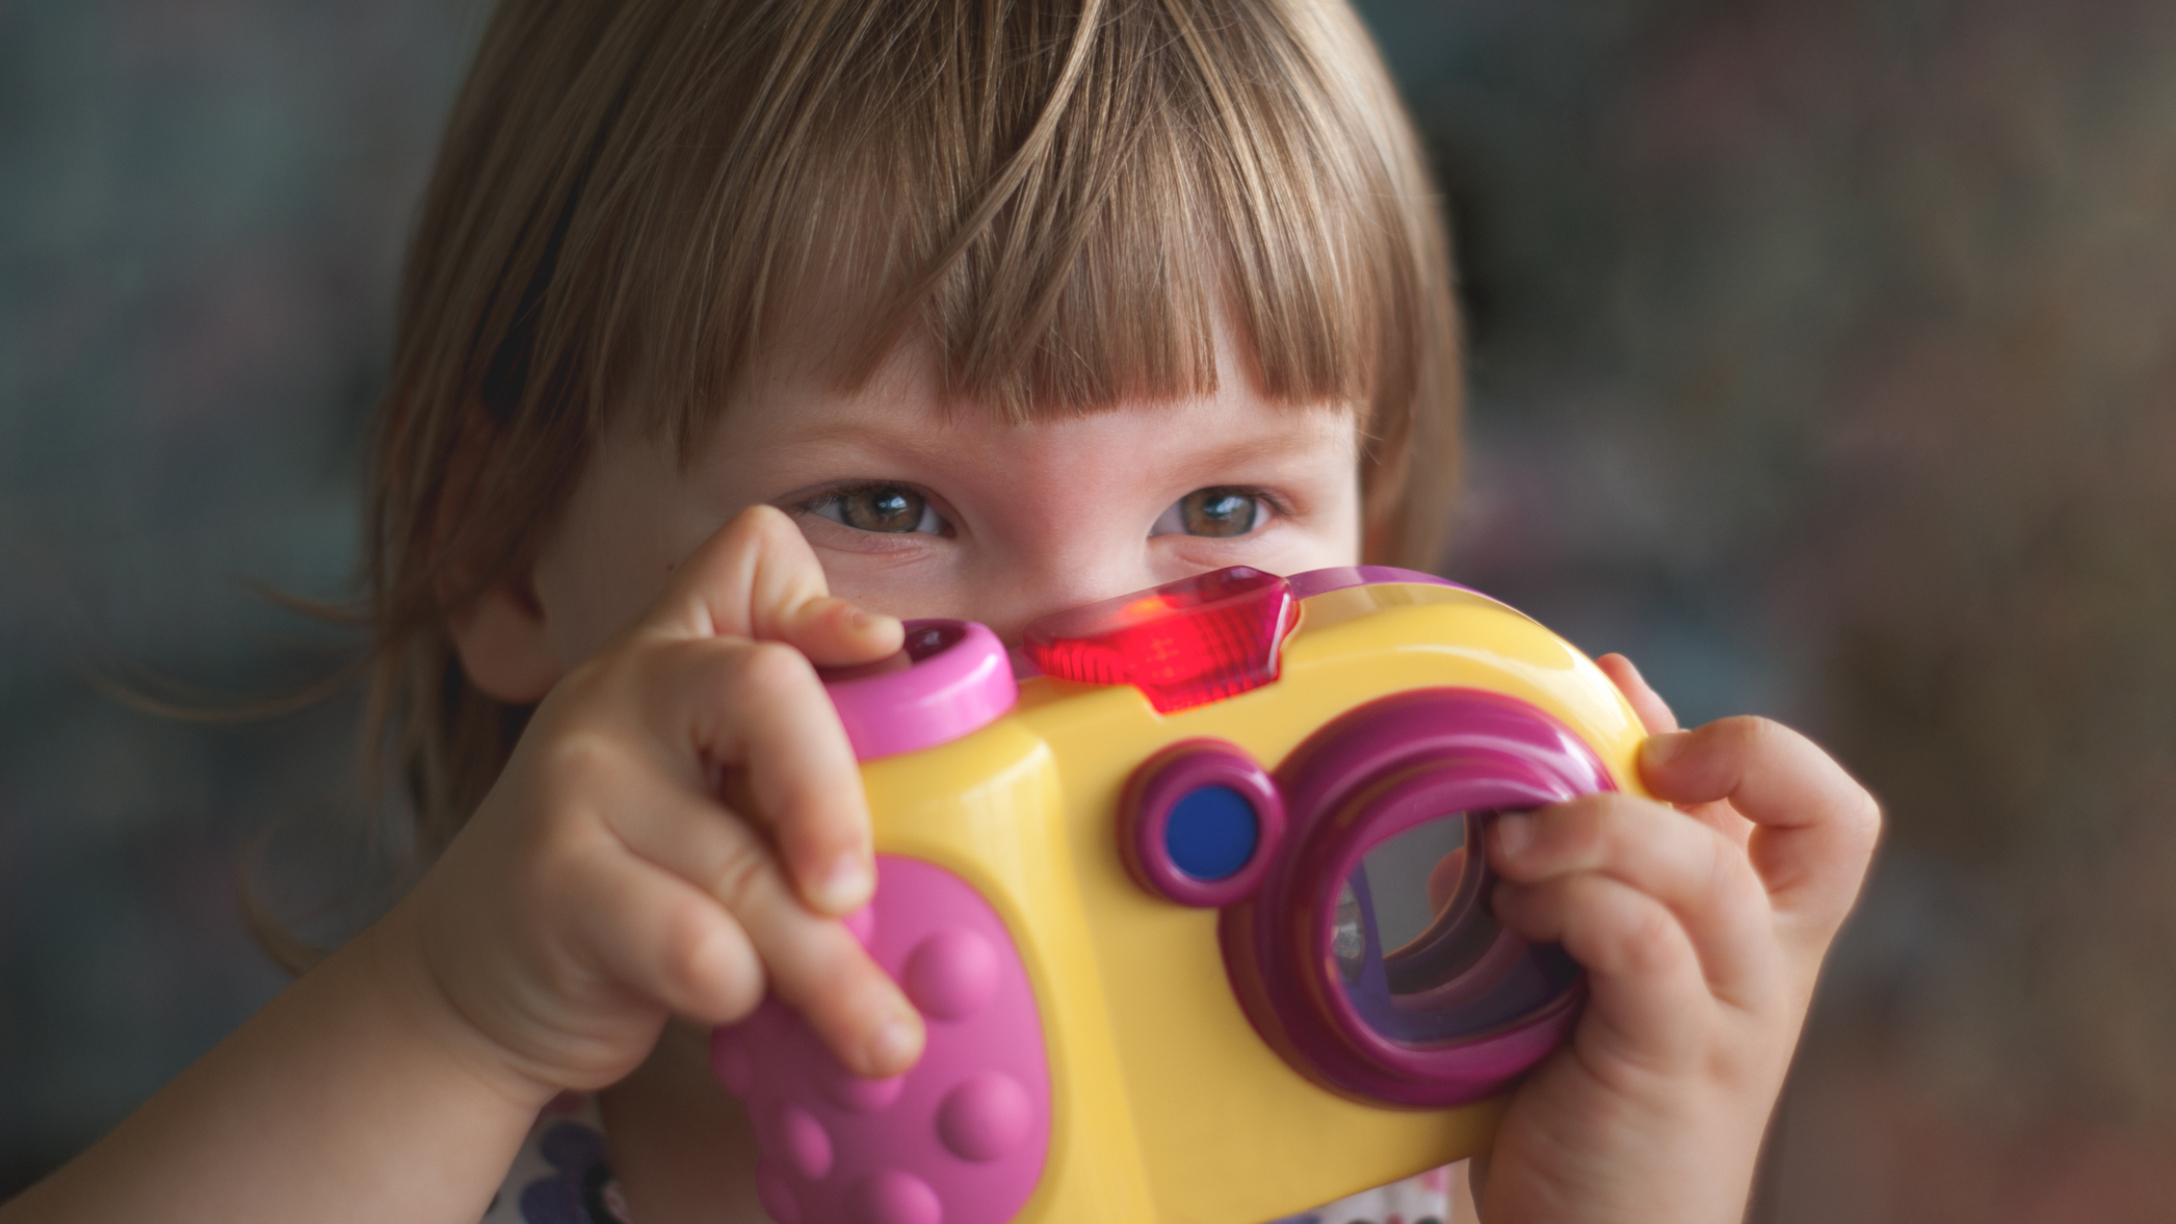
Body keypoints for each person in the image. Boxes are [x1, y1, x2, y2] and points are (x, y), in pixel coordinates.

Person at [0, 2, 1880, 1223]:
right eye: (886, 508)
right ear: (506, 553)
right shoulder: (419, 1148)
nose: (1084, 655)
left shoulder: (1410, 1184)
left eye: (1223, 509)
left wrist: (1649, 1197)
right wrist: (455, 1018)